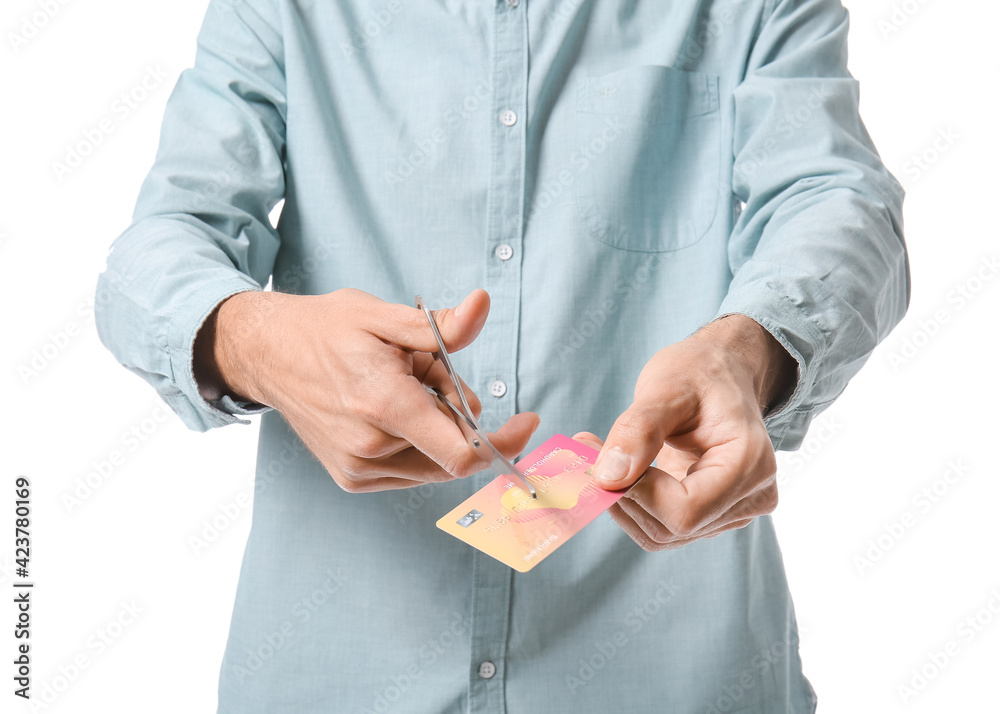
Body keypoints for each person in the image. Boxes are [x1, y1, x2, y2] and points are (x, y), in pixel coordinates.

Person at [96, 0, 909, 711]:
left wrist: (748, 350)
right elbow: (160, 243)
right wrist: (254, 339)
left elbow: (838, 199)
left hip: (678, 677)